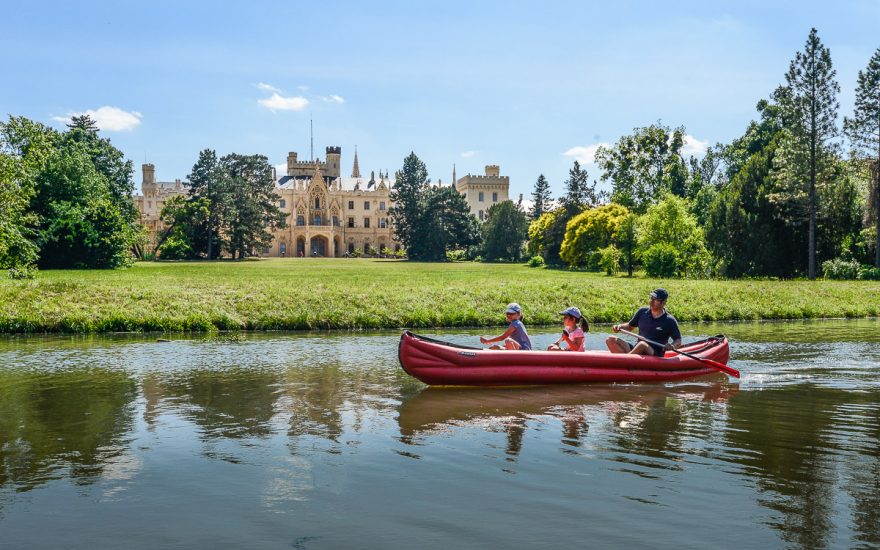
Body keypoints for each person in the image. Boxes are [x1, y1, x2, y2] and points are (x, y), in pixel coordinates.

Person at [606, 288, 681, 356]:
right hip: (637, 349)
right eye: (651, 298)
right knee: (610, 340)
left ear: (663, 302)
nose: (651, 302)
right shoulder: (642, 312)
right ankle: (627, 362)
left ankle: (626, 361)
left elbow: (678, 340)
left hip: (654, 353)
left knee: (642, 345)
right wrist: (619, 326)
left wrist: (672, 346)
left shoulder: (669, 320)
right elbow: (629, 327)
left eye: (655, 300)